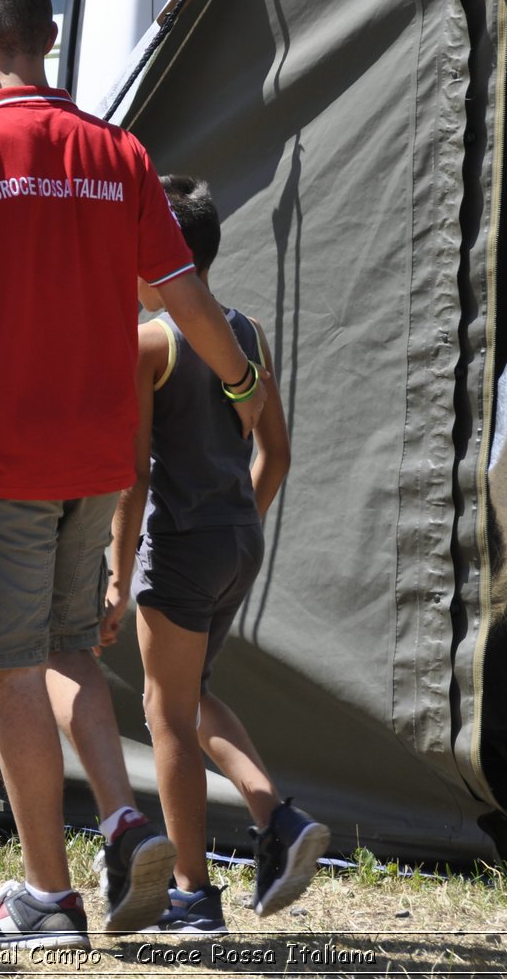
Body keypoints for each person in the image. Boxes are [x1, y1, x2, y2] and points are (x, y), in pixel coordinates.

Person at [0, 0, 266, 949]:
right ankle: (120, 816)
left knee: (11, 666)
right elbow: (184, 289)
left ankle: (46, 896)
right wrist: (241, 385)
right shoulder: (119, 153)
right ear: (50, 38)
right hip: (97, 458)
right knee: (68, 646)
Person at [102, 175, 328, 936]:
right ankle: (278, 817)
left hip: (179, 548)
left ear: (160, 250)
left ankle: (194, 894)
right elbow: (279, 455)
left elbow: (134, 479)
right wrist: (236, 520)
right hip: (240, 542)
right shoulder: (248, 333)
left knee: (163, 711)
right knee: (193, 694)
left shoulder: (149, 340)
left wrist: (117, 568)